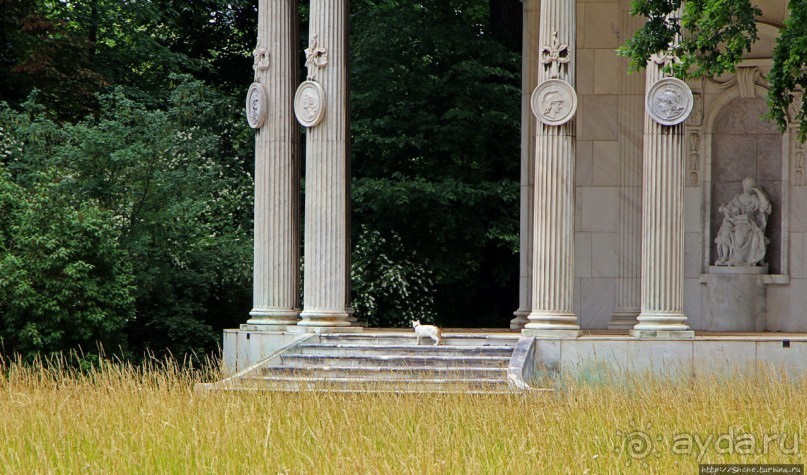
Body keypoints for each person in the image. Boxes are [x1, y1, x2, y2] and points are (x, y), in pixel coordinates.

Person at [714, 177, 771, 266]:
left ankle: (745, 259)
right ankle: (730, 257)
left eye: (749, 186)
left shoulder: (755, 199)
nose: (746, 187)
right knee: (734, 233)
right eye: (745, 185)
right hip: (737, 223)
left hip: (750, 224)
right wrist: (723, 209)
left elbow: (765, 205)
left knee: (743, 235)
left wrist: (758, 191)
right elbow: (728, 208)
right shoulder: (738, 198)